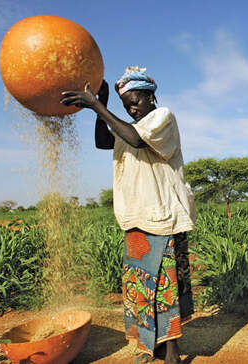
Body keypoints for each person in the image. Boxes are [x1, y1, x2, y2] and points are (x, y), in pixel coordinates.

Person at [60, 66, 196, 364]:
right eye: (126, 106)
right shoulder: (128, 127)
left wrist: (96, 105)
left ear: (150, 96)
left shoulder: (162, 118)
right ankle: (151, 346)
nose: (132, 109)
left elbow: (134, 139)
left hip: (162, 219)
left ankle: (172, 352)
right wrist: (102, 106)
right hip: (135, 218)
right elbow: (103, 141)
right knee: (141, 288)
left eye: (135, 101)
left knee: (164, 286)